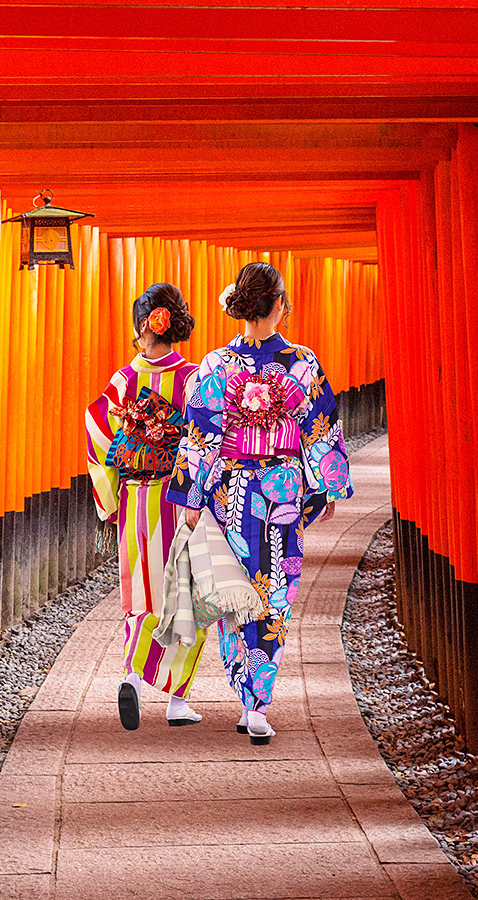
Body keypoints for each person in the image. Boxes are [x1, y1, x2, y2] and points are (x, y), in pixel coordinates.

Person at [166, 262, 354, 745]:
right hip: (283, 492)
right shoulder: (302, 362)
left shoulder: (214, 366)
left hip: (232, 492)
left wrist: (192, 495)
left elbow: (199, 435)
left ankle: (246, 693)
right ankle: (258, 703)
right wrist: (328, 485)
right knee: (274, 594)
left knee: (238, 592)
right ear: (279, 307)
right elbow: (320, 427)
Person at [84, 283, 208, 730]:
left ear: (144, 326)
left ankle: (133, 675)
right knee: (186, 592)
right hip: (181, 498)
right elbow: (205, 440)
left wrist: (110, 495)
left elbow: (97, 428)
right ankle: (177, 700)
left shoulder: (124, 379)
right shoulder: (194, 377)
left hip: (137, 497)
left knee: (142, 590)